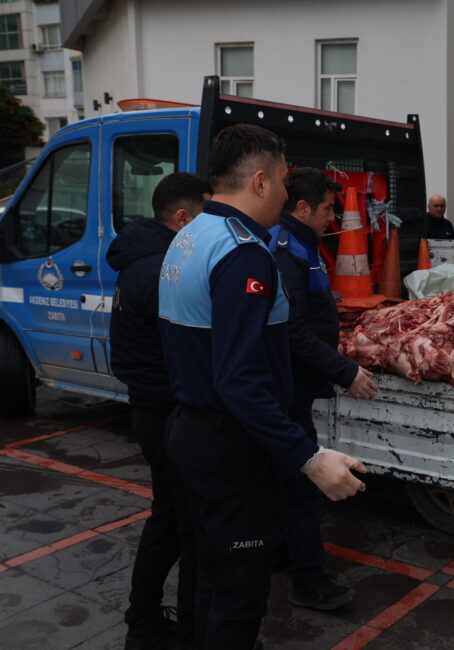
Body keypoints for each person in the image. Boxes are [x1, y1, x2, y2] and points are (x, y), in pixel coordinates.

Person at [158, 124, 370, 649]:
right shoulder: (244, 254)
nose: (283, 191)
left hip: (191, 431)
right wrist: (310, 457)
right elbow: (239, 379)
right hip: (232, 447)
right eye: (280, 179)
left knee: (211, 576)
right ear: (258, 181)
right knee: (239, 597)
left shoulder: (190, 234)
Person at [267, 167, 378, 611]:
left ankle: (281, 553)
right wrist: (345, 370)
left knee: (283, 480)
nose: (335, 217)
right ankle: (308, 581)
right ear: (302, 208)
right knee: (301, 484)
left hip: (298, 384)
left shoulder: (304, 245)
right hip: (288, 387)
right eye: (329, 208)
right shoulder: (286, 250)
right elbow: (291, 328)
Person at [108, 172, 210, 649]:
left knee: (168, 518)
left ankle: (144, 622)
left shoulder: (146, 260)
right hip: (167, 412)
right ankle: (178, 630)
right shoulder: (161, 270)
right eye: (205, 216)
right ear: (182, 219)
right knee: (184, 526)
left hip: (151, 409)